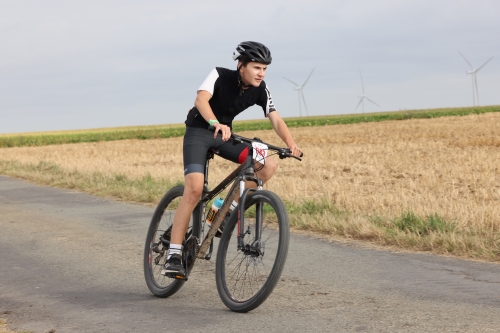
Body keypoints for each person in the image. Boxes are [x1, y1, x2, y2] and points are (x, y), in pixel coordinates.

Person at [162, 41, 302, 277]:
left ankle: (224, 212)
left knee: (266, 164)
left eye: (265, 69)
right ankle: (173, 255)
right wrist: (215, 123)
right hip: (199, 132)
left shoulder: (261, 89)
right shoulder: (219, 75)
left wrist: (291, 144)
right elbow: (201, 100)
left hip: (225, 136)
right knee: (195, 189)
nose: (261, 73)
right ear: (241, 66)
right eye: (256, 67)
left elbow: (275, 118)